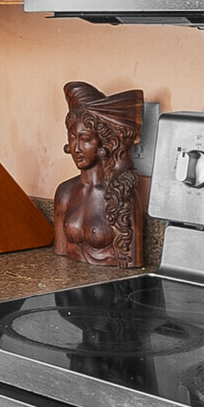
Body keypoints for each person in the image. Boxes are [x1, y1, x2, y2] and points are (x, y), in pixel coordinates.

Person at [54, 83, 147, 268]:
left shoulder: (120, 196)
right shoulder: (64, 193)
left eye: (86, 139)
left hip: (109, 292)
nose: (77, 148)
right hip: (67, 288)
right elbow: (60, 256)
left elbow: (130, 266)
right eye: (72, 137)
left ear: (103, 144)